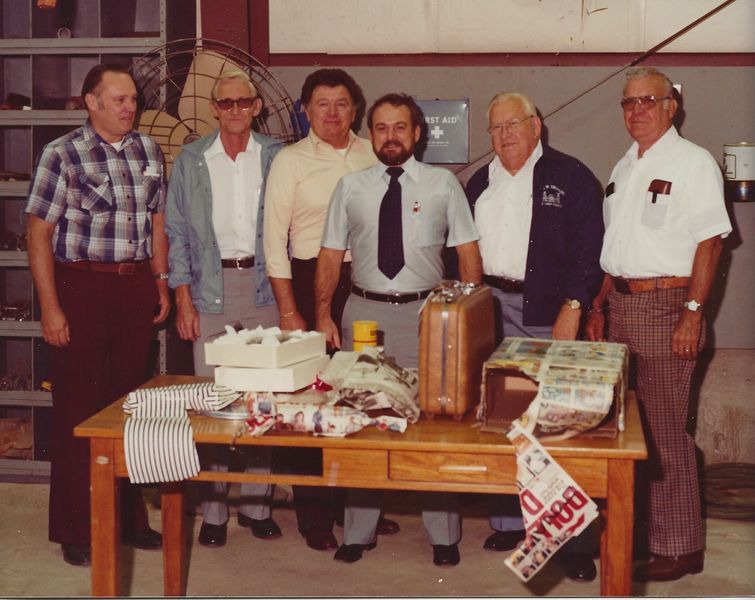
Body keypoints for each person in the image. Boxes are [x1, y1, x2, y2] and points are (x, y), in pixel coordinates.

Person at [315, 93, 483, 566]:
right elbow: (330, 256)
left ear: (417, 133)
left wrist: (468, 319)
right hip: (365, 314)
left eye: (400, 127)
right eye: (382, 127)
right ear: (371, 134)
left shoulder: (444, 184)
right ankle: (358, 530)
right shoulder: (350, 187)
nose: (391, 136)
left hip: (428, 315)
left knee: (436, 425)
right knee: (362, 422)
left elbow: (468, 252)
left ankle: (443, 536)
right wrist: (324, 314)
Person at [585, 66, 731, 582]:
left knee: (666, 432)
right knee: (629, 433)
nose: (638, 109)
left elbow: (710, 241)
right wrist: (600, 306)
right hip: (621, 307)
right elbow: (614, 251)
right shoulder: (624, 166)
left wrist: (693, 315)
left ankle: (681, 546)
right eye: (629, 102)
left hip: (668, 307)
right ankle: (645, 536)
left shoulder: (693, 164)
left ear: (673, 105)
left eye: (649, 100)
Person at [25, 63, 170, 566]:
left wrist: (160, 280)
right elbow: (38, 233)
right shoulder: (60, 154)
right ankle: (75, 528)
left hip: (134, 290)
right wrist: (50, 306)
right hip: (80, 286)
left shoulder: (149, 151)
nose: (130, 107)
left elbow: (156, 221)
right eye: (119, 99)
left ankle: (130, 519)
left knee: (129, 407)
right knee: (79, 410)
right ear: (91, 101)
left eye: (133, 99)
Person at [465, 91, 604, 582]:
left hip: (548, 313)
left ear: (536, 125)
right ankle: (510, 523)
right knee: (504, 420)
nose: (504, 136)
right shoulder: (480, 181)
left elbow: (591, 248)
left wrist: (574, 306)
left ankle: (575, 541)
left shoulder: (571, 177)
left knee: (559, 428)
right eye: (495, 128)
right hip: (492, 311)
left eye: (513, 125)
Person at [263, 68, 399, 550]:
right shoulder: (289, 161)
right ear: (305, 109)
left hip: (364, 283)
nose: (333, 113)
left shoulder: (372, 153)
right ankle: (315, 517)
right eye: (322, 103)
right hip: (306, 283)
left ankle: (359, 509)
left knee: (361, 395)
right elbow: (273, 241)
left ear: (356, 109)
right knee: (311, 402)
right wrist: (288, 311)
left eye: (342, 103)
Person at [164, 69, 282, 548]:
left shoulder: (277, 157)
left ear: (257, 107)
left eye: (243, 102)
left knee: (262, 402)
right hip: (210, 289)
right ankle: (213, 513)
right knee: (212, 406)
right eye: (225, 103)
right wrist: (182, 297)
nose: (235, 110)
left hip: (264, 290)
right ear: (213, 108)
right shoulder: (191, 160)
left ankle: (257, 505)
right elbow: (176, 233)